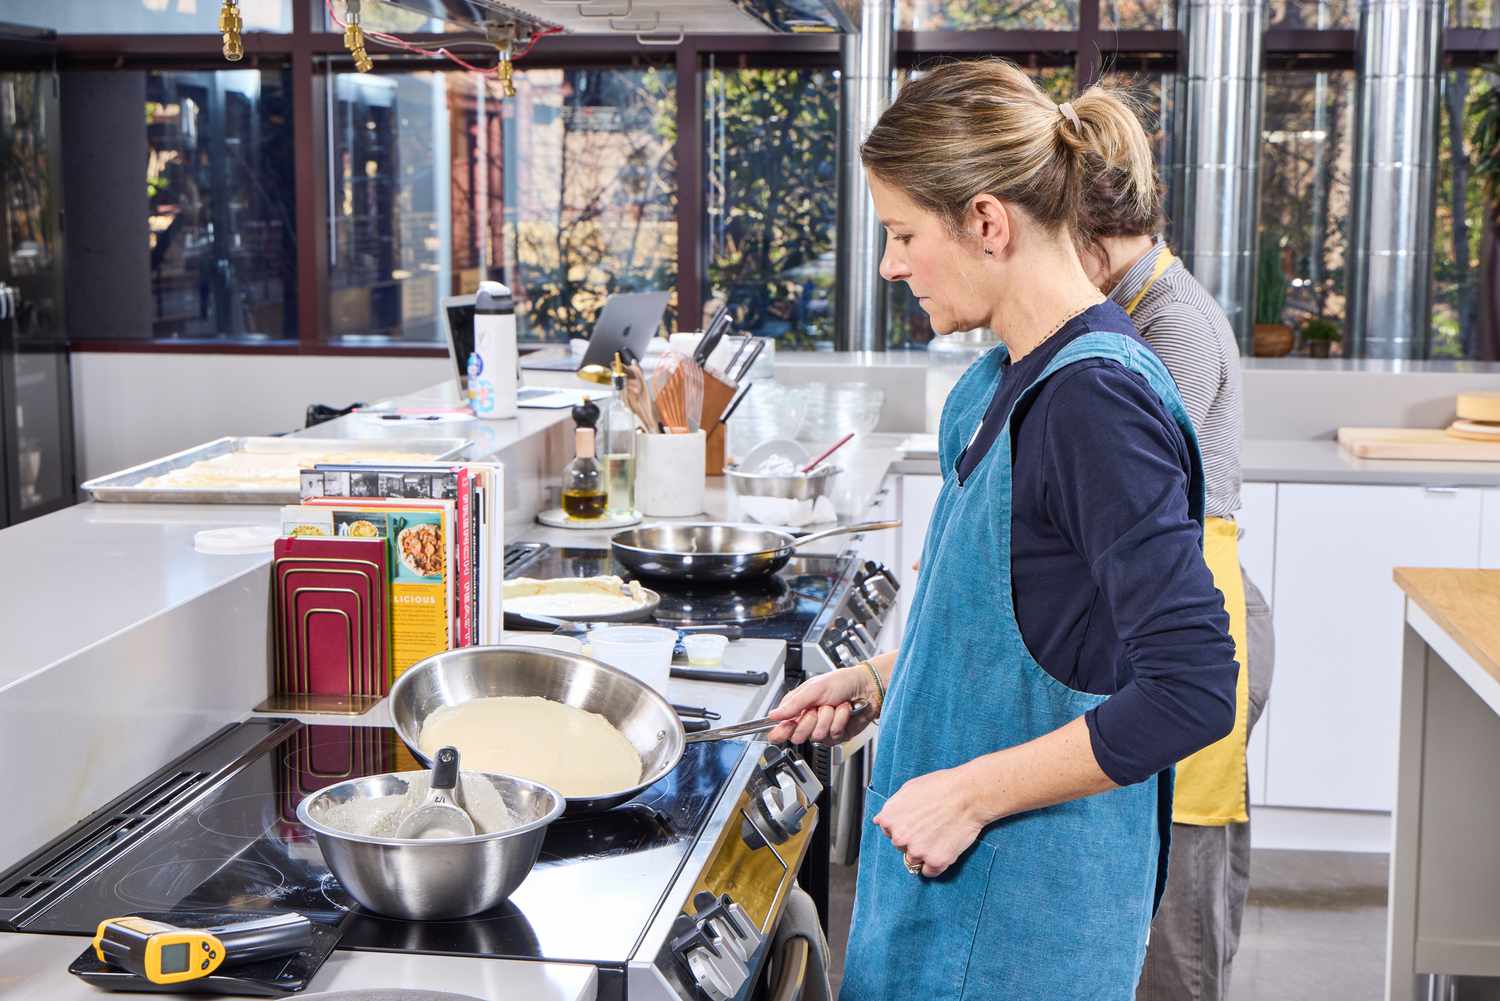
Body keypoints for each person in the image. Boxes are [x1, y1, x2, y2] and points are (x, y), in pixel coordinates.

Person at [765, 58, 1238, 999]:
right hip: (952, 897)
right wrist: (880, 681)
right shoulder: (1011, 376)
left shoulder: (1096, 401)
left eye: (902, 233)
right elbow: (1037, 636)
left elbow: (1193, 691)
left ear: (987, 222)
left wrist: (969, 790)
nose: (892, 263)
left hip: (1021, 921)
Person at [1075, 112, 1276, 1001]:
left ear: (1088, 238)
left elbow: (1139, 486)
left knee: (1183, 904)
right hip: (1185, 604)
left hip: (1202, 617)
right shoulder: (1139, 305)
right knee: (1174, 877)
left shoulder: (1174, 324)